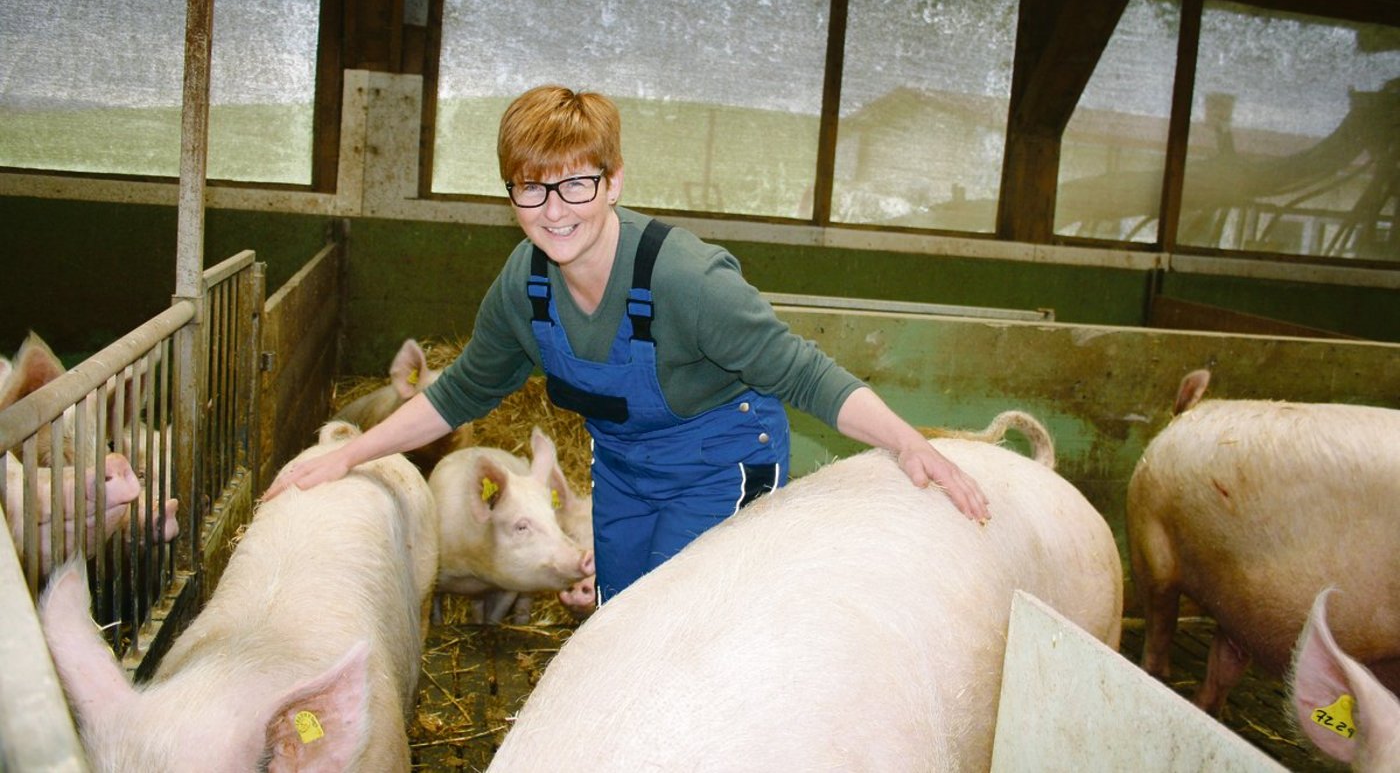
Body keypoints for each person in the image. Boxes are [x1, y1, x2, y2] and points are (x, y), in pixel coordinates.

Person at [264, 84, 990, 606]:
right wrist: (351, 453)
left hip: (720, 462)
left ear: (613, 182)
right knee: (617, 613)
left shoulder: (686, 277)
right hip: (623, 468)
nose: (555, 212)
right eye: (532, 190)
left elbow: (804, 372)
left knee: (680, 622)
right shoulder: (524, 287)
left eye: (576, 185)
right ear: (511, 196)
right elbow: (461, 391)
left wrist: (907, 442)